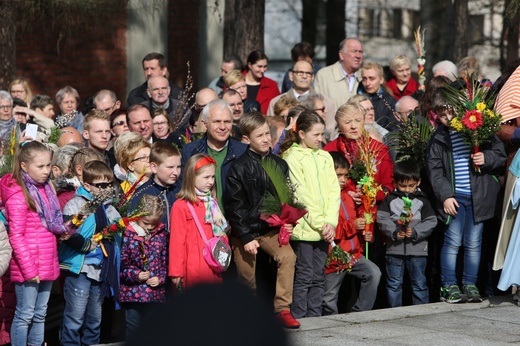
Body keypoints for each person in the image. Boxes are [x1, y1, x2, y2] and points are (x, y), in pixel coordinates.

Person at [426, 93, 506, 303]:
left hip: (477, 198)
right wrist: (445, 196)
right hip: (455, 198)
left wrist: (485, 158)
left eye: (450, 113)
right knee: (452, 241)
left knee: (473, 243)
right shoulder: (440, 138)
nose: (447, 119)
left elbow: (499, 156)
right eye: (442, 116)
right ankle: (449, 285)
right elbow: (434, 170)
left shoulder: (479, 130)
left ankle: (470, 284)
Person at [225, 112, 300, 329]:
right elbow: (234, 206)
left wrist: (289, 222)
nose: (266, 139)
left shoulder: (279, 164)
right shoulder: (239, 168)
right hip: (244, 230)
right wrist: (246, 237)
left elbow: (286, 198)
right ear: (247, 139)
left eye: (268, 133)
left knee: (287, 257)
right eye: (260, 136)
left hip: (270, 229)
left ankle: (283, 309)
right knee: (247, 276)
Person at [0, 141, 66, 346]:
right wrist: (29, 270)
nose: (46, 171)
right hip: (28, 266)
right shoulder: (18, 195)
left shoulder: (46, 190)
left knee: (40, 314)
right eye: (41, 166)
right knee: (25, 314)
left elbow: (51, 226)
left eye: (48, 165)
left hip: (46, 261)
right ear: (24, 166)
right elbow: (16, 236)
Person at [279, 110, 340, 318]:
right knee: (304, 275)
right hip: (305, 229)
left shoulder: (325, 157)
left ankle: (315, 317)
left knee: (318, 275)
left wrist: (331, 222)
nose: (320, 139)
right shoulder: (292, 157)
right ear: (302, 134)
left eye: (322, 134)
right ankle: (299, 316)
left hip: (324, 229)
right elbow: (300, 194)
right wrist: (320, 223)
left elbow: (334, 191)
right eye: (316, 135)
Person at [59, 160, 120, 346]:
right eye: (101, 185)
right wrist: (87, 244)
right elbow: (68, 233)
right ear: (86, 185)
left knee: (95, 320)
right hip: (80, 268)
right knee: (75, 318)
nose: (106, 189)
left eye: (109, 184)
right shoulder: (75, 205)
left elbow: (118, 234)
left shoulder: (110, 208)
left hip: (100, 270)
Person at [322, 152, 381, 315]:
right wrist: (352, 226)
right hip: (335, 256)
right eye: (338, 175)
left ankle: (360, 313)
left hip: (353, 253)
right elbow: (329, 231)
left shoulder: (350, 197)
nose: (343, 179)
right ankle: (328, 324)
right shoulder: (325, 199)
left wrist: (367, 235)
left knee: (373, 273)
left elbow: (359, 224)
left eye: (345, 175)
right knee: (329, 297)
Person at [377, 160, 437, 307]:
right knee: (394, 284)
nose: (407, 190)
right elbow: (382, 219)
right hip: (394, 250)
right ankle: (394, 311)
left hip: (417, 250)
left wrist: (416, 232)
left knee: (419, 283)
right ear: (395, 183)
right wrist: (394, 232)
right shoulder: (390, 200)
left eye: (411, 185)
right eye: (402, 186)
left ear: (418, 182)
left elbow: (431, 221)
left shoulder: (422, 201)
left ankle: (421, 310)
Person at [169, 154, 230, 288]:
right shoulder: (181, 206)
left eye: (213, 177)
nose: (211, 181)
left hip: (212, 261)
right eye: (206, 177)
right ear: (192, 178)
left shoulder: (212, 202)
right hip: (193, 264)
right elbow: (177, 241)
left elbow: (221, 234)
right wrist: (176, 272)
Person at [181, 99, 247, 212]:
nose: (222, 127)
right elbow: (183, 189)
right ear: (204, 124)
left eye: (227, 121)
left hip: (236, 223)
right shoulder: (191, 151)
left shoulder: (243, 151)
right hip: (202, 221)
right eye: (217, 121)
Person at [120, 194, 169, 339]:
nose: (149, 227)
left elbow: (166, 262)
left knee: (153, 329)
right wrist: (135, 275)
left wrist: (160, 278)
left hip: (155, 294)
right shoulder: (128, 234)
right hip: (133, 293)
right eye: (145, 223)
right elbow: (122, 265)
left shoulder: (162, 235)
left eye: (153, 224)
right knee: (133, 328)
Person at [128, 141, 182, 230]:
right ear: (154, 167)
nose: (176, 172)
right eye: (170, 167)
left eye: (178, 167)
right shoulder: (141, 194)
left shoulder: (181, 191)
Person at [314, 38, 363, 109]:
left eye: (360, 52)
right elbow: (317, 108)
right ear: (341, 55)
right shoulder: (324, 76)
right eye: (354, 51)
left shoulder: (365, 77)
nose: (358, 56)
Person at [357, 61, 398, 130]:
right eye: (364, 79)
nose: (367, 83)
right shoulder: (356, 99)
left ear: (381, 80)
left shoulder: (390, 103)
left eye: (372, 79)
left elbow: (393, 130)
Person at [244, 50, 280, 114]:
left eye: (265, 66)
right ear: (249, 65)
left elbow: (279, 109)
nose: (263, 70)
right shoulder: (236, 81)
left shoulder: (272, 85)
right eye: (259, 66)